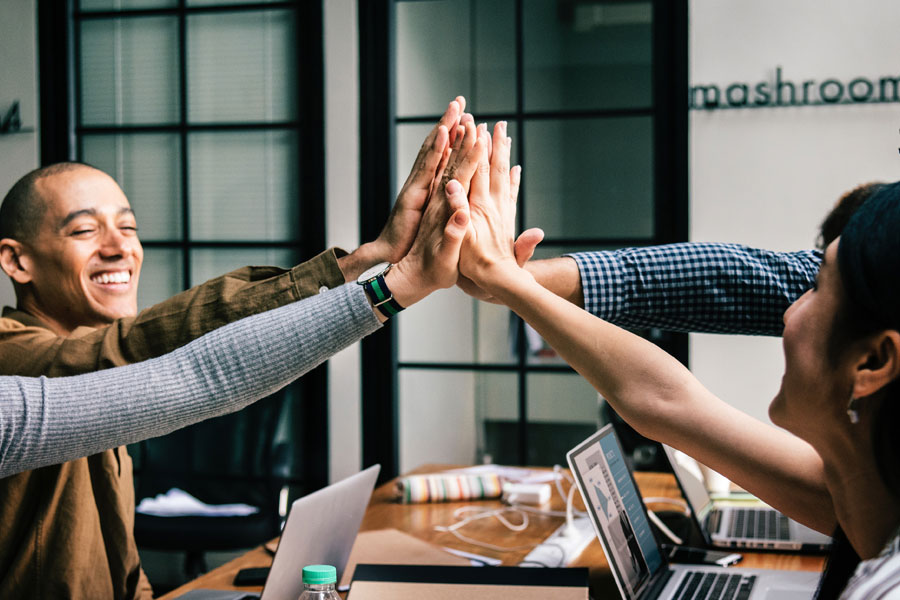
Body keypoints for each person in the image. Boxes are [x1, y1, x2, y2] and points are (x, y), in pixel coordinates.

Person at [0, 98, 488, 599]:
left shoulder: (100, 373)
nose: (120, 246)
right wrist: (370, 264)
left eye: (128, 227)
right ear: (17, 261)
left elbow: (118, 564)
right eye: (85, 230)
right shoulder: (14, 359)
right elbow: (149, 352)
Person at [458, 122, 900, 598]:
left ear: (873, 361)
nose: (788, 311)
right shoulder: (870, 497)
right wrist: (509, 282)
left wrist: (506, 279)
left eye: (815, 287)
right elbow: (668, 402)